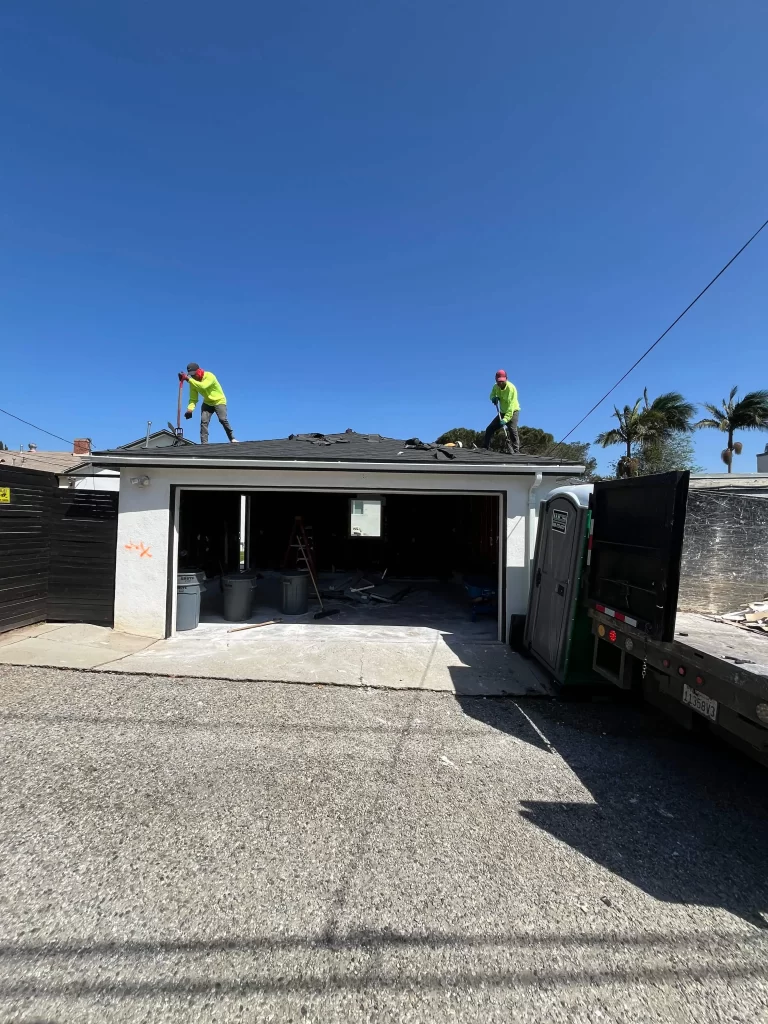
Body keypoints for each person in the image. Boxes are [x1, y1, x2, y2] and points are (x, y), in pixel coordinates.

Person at [179, 363, 239, 444]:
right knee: (204, 422)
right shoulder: (193, 383)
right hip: (207, 403)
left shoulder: (209, 376)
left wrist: (188, 379)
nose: (193, 376)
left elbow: (203, 386)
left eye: (194, 374)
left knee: (222, 419)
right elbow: (193, 399)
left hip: (219, 401)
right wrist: (190, 410)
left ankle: (232, 438)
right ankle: (204, 443)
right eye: (191, 375)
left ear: (199, 371)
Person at [483, 369, 520, 452]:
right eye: (499, 381)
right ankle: (485, 447)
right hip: (503, 412)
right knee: (490, 428)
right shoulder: (495, 386)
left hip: (513, 411)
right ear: (496, 380)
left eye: (502, 381)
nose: (500, 383)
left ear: (506, 379)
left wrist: (505, 419)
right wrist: (493, 398)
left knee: (512, 430)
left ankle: (516, 450)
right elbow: (492, 394)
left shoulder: (511, 389)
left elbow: (511, 406)